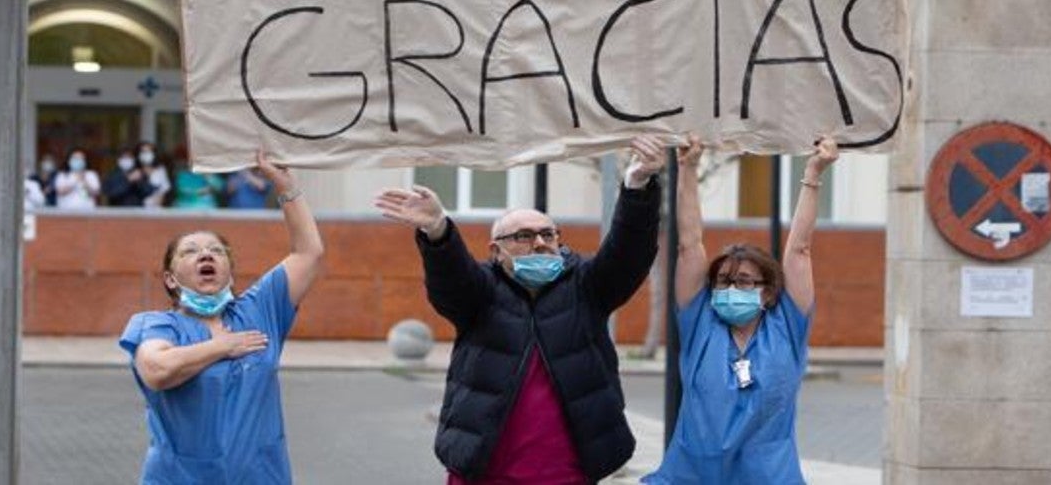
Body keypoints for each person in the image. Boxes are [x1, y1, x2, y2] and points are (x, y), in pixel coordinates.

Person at [374, 135, 667, 484]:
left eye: (548, 234)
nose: (540, 243)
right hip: (485, 471)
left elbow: (628, 254)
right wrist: (438, 231)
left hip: (568, 473)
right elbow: (452, 282)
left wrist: (637, 186)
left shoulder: (586, 287)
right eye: (523, 236)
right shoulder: (480, 293)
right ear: (496, 252)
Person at [118, 151, 324, 484]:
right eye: (190, 251)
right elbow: (158, 370)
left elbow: (308, 253)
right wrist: (221, 347)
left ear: (229, 272)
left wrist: (286, 186)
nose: (205, 254)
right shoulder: (156, 325)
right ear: (171, 278)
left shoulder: (259, 310)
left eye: (216, 251)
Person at [642, 136, 839, 484]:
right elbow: (689, 245)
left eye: (745, 282)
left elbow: (799, 251)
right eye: (723, 281)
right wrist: (688, 169)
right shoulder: (700, 321)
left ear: (767, 293)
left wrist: (812, 172)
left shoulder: (787, 325)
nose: (732, 289)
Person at [136, 141, 172, 207]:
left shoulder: (160, 170)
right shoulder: (135, 170)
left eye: (148, 151)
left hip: (156, 210)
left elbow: (165, 188)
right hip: (137, 209)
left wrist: (161, 198)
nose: (145, 154)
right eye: (143, 152)